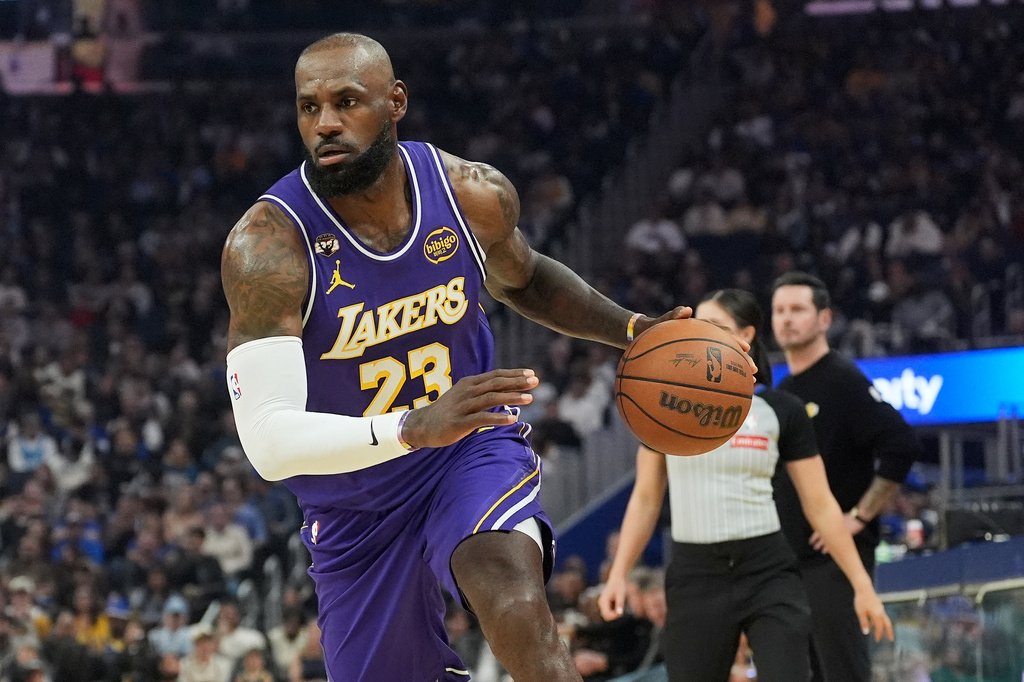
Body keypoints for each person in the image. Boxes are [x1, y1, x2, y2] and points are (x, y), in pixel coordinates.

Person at [220, 32, 705, 682]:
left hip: (466, 447)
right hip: (355, 500)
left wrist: (633, 329)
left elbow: (525, 279)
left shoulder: (467, 193)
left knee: (513, 599)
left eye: (347, 101)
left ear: (395, 102)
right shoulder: (268, 245)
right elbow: (267, 441)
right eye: (310, 108)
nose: (326, 123)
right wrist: (411, 426)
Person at [598, 289, 893, 682]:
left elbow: (820, 504)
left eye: (714, 327)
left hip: (768, 570)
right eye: (698, 327)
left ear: (746, 336)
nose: (702, 336)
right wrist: (619, 573)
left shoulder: (781, 410)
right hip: (695, 574)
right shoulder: (663, 407)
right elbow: (647, 499)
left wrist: (861, 585)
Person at [770, 271, 921, 682]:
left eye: (797, 309)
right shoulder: (788, 388)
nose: (786, 319)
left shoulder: (841, 379)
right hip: (793, 560)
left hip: (833, 560)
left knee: (844, 672)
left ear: (824, 319)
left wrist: (858, 515)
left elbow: (901, 444)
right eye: (779, 310)